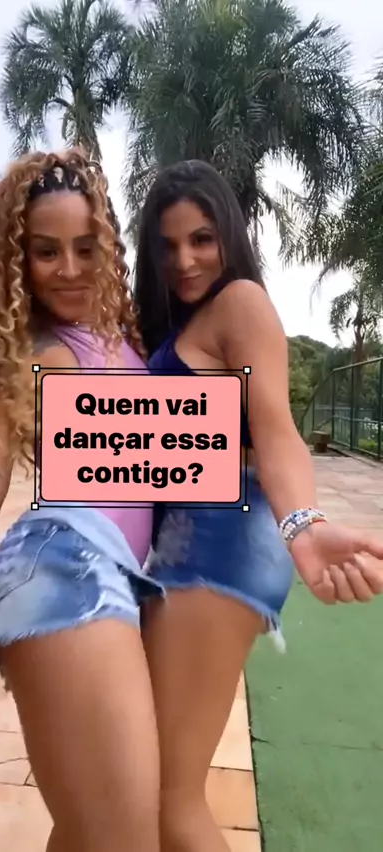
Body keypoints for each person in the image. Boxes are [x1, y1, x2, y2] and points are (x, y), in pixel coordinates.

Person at [0, 148, 164, 852]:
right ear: (18, 259)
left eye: (86, 247)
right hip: (65, 571)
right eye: (47, 251)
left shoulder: (123, 337)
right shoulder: (24, 353)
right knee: (124, 838)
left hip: (120, 579)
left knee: (89, 831)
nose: (71, 268)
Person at [133, 158, 383, 852]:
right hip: (184, 547)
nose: (185, 260)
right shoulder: (183, 319)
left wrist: (303, 525)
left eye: (202, 239)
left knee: (169, 800)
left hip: (223, 541)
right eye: (168, 244)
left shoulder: (240, 303)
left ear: (230, 237)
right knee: (144, 786)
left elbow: (275, 430)